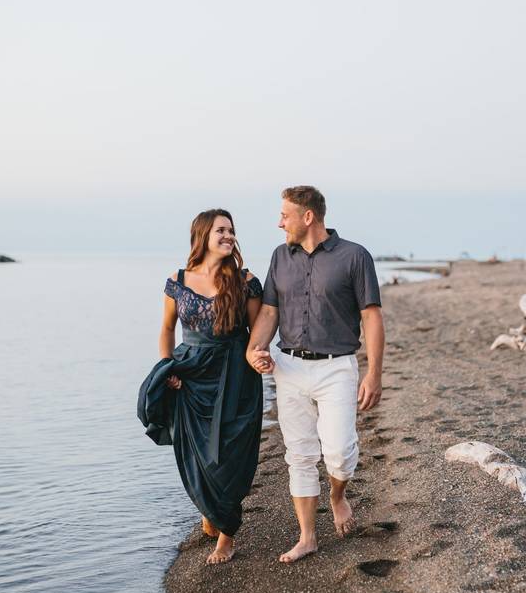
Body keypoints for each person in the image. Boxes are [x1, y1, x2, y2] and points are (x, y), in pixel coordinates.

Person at [246, 186, 385, 563]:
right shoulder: (279, 257)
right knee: (300, 455)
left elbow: (371, 315)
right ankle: (307, 537)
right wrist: (253, 348)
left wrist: (374, 373)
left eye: (285, 215)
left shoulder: (355, 257)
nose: (279, 222)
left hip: (337, 367)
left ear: (308, 217)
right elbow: (270, 312)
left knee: (339, 453)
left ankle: (338, 495)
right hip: (289, 367)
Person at [137, 209, 264, 565]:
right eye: (221, 230)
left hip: (236, 375)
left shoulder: (246, 280)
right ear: (203, 235)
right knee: (192, 451)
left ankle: (226, 536)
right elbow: (166, 329)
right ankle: (210, 507)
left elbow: (258, 333)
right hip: (190, 376)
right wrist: (166, 368)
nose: (229, 235)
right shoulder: (178, 280)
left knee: (231, 454)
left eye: (232, 230)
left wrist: (261, 358)